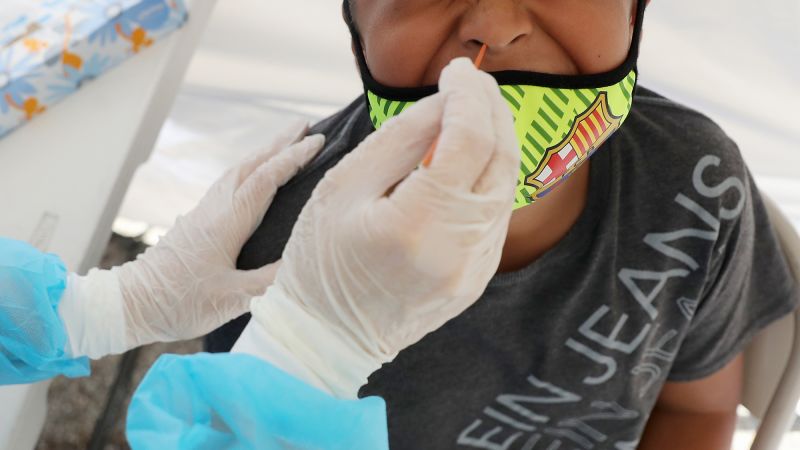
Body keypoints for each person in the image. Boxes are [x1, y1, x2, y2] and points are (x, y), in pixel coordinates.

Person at [204, 0, 800, 449]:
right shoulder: (272, 238)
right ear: (355, 25)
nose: (492, 22)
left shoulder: (694, 182)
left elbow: (695, 411)